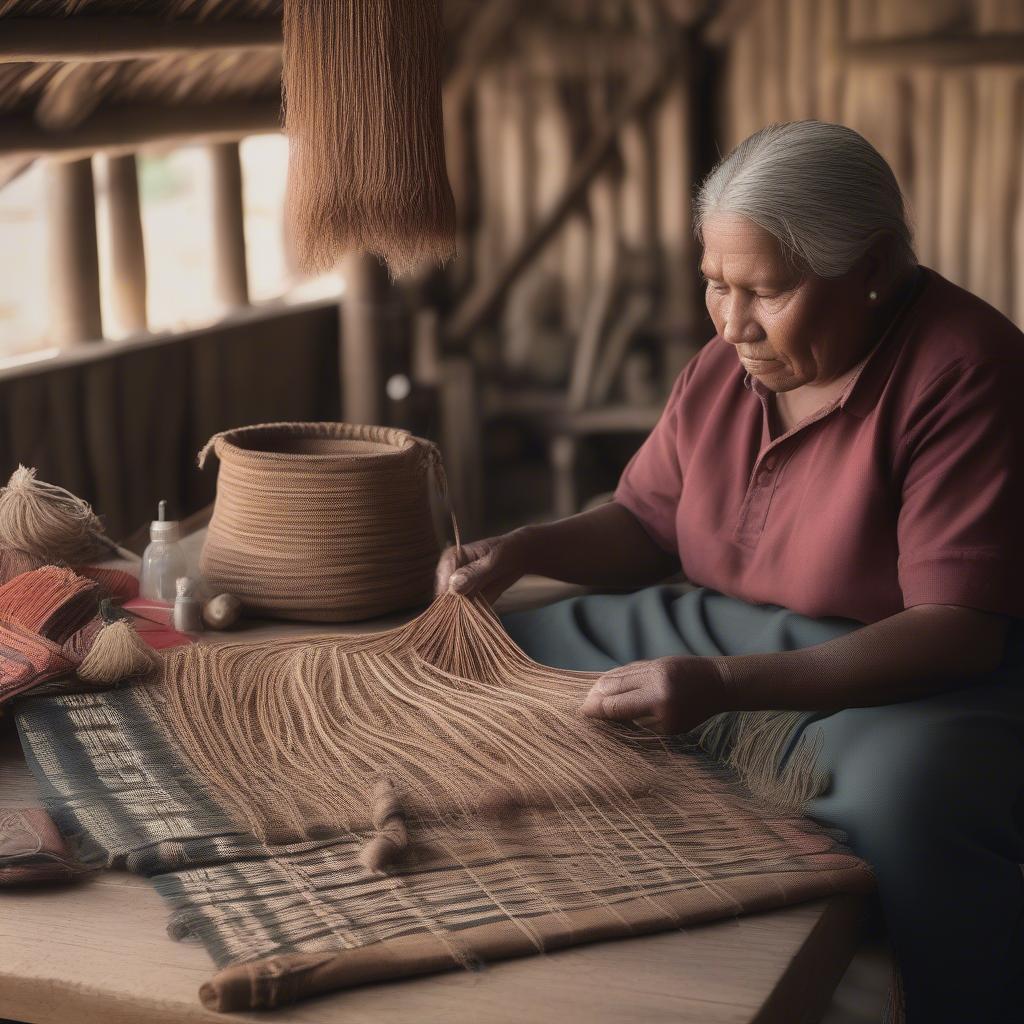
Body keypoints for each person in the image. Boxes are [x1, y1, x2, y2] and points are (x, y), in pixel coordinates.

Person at [435, 121, 1024, 1023]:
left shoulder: (967, 370)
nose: (731, 322)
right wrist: (525, 551)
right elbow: (643, 524)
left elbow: (957, 626)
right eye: (715, 284)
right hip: (711, 628)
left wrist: (721, 686)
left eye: (768, 292)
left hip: (896, 678)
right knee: (493, 651)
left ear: (869, 265)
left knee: (914, 800)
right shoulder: (726, 365)